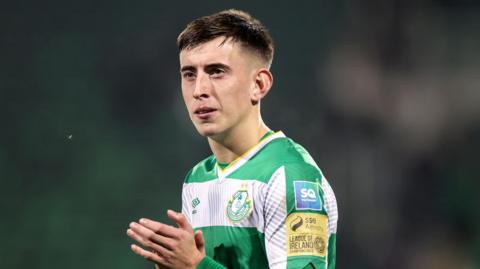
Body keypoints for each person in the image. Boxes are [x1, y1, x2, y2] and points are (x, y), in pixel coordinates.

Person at [126, 9, 338, 269]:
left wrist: (197, 266)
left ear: (259, 85)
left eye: (216, 72)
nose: (199, 90)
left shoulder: (289, 176)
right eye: (189, 74)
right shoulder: (197, 179)